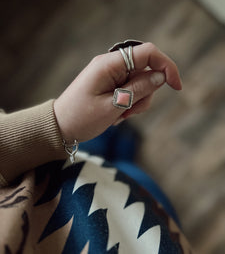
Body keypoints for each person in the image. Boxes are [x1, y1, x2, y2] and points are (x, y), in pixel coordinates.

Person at [0, 41, 191, 253]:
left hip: (67, 171)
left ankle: (119, 140)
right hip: (127, 219)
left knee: (113, 150)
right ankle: (120, 141)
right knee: (122, 157)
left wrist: (56, 123)